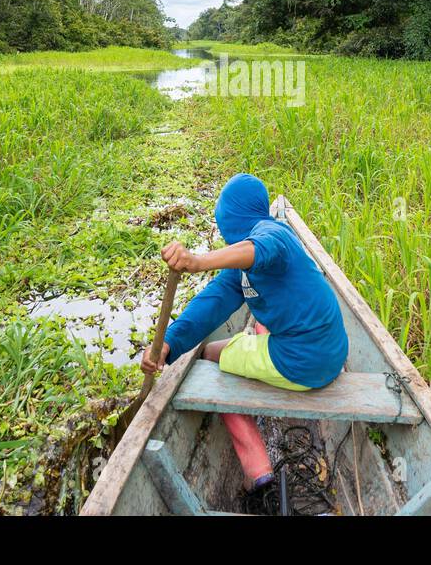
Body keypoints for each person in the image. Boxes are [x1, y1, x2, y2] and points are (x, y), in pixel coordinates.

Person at [140, 173, 348, 511]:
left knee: (211, 356)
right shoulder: (243, 271)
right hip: (331, 353)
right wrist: (168, 344)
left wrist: (198, 261)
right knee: (252, 327)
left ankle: (259, 476)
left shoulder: (274, 234)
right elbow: (209, 305)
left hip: (303, 361)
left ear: (233, 221)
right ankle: (257, 350)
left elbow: (261, 248)